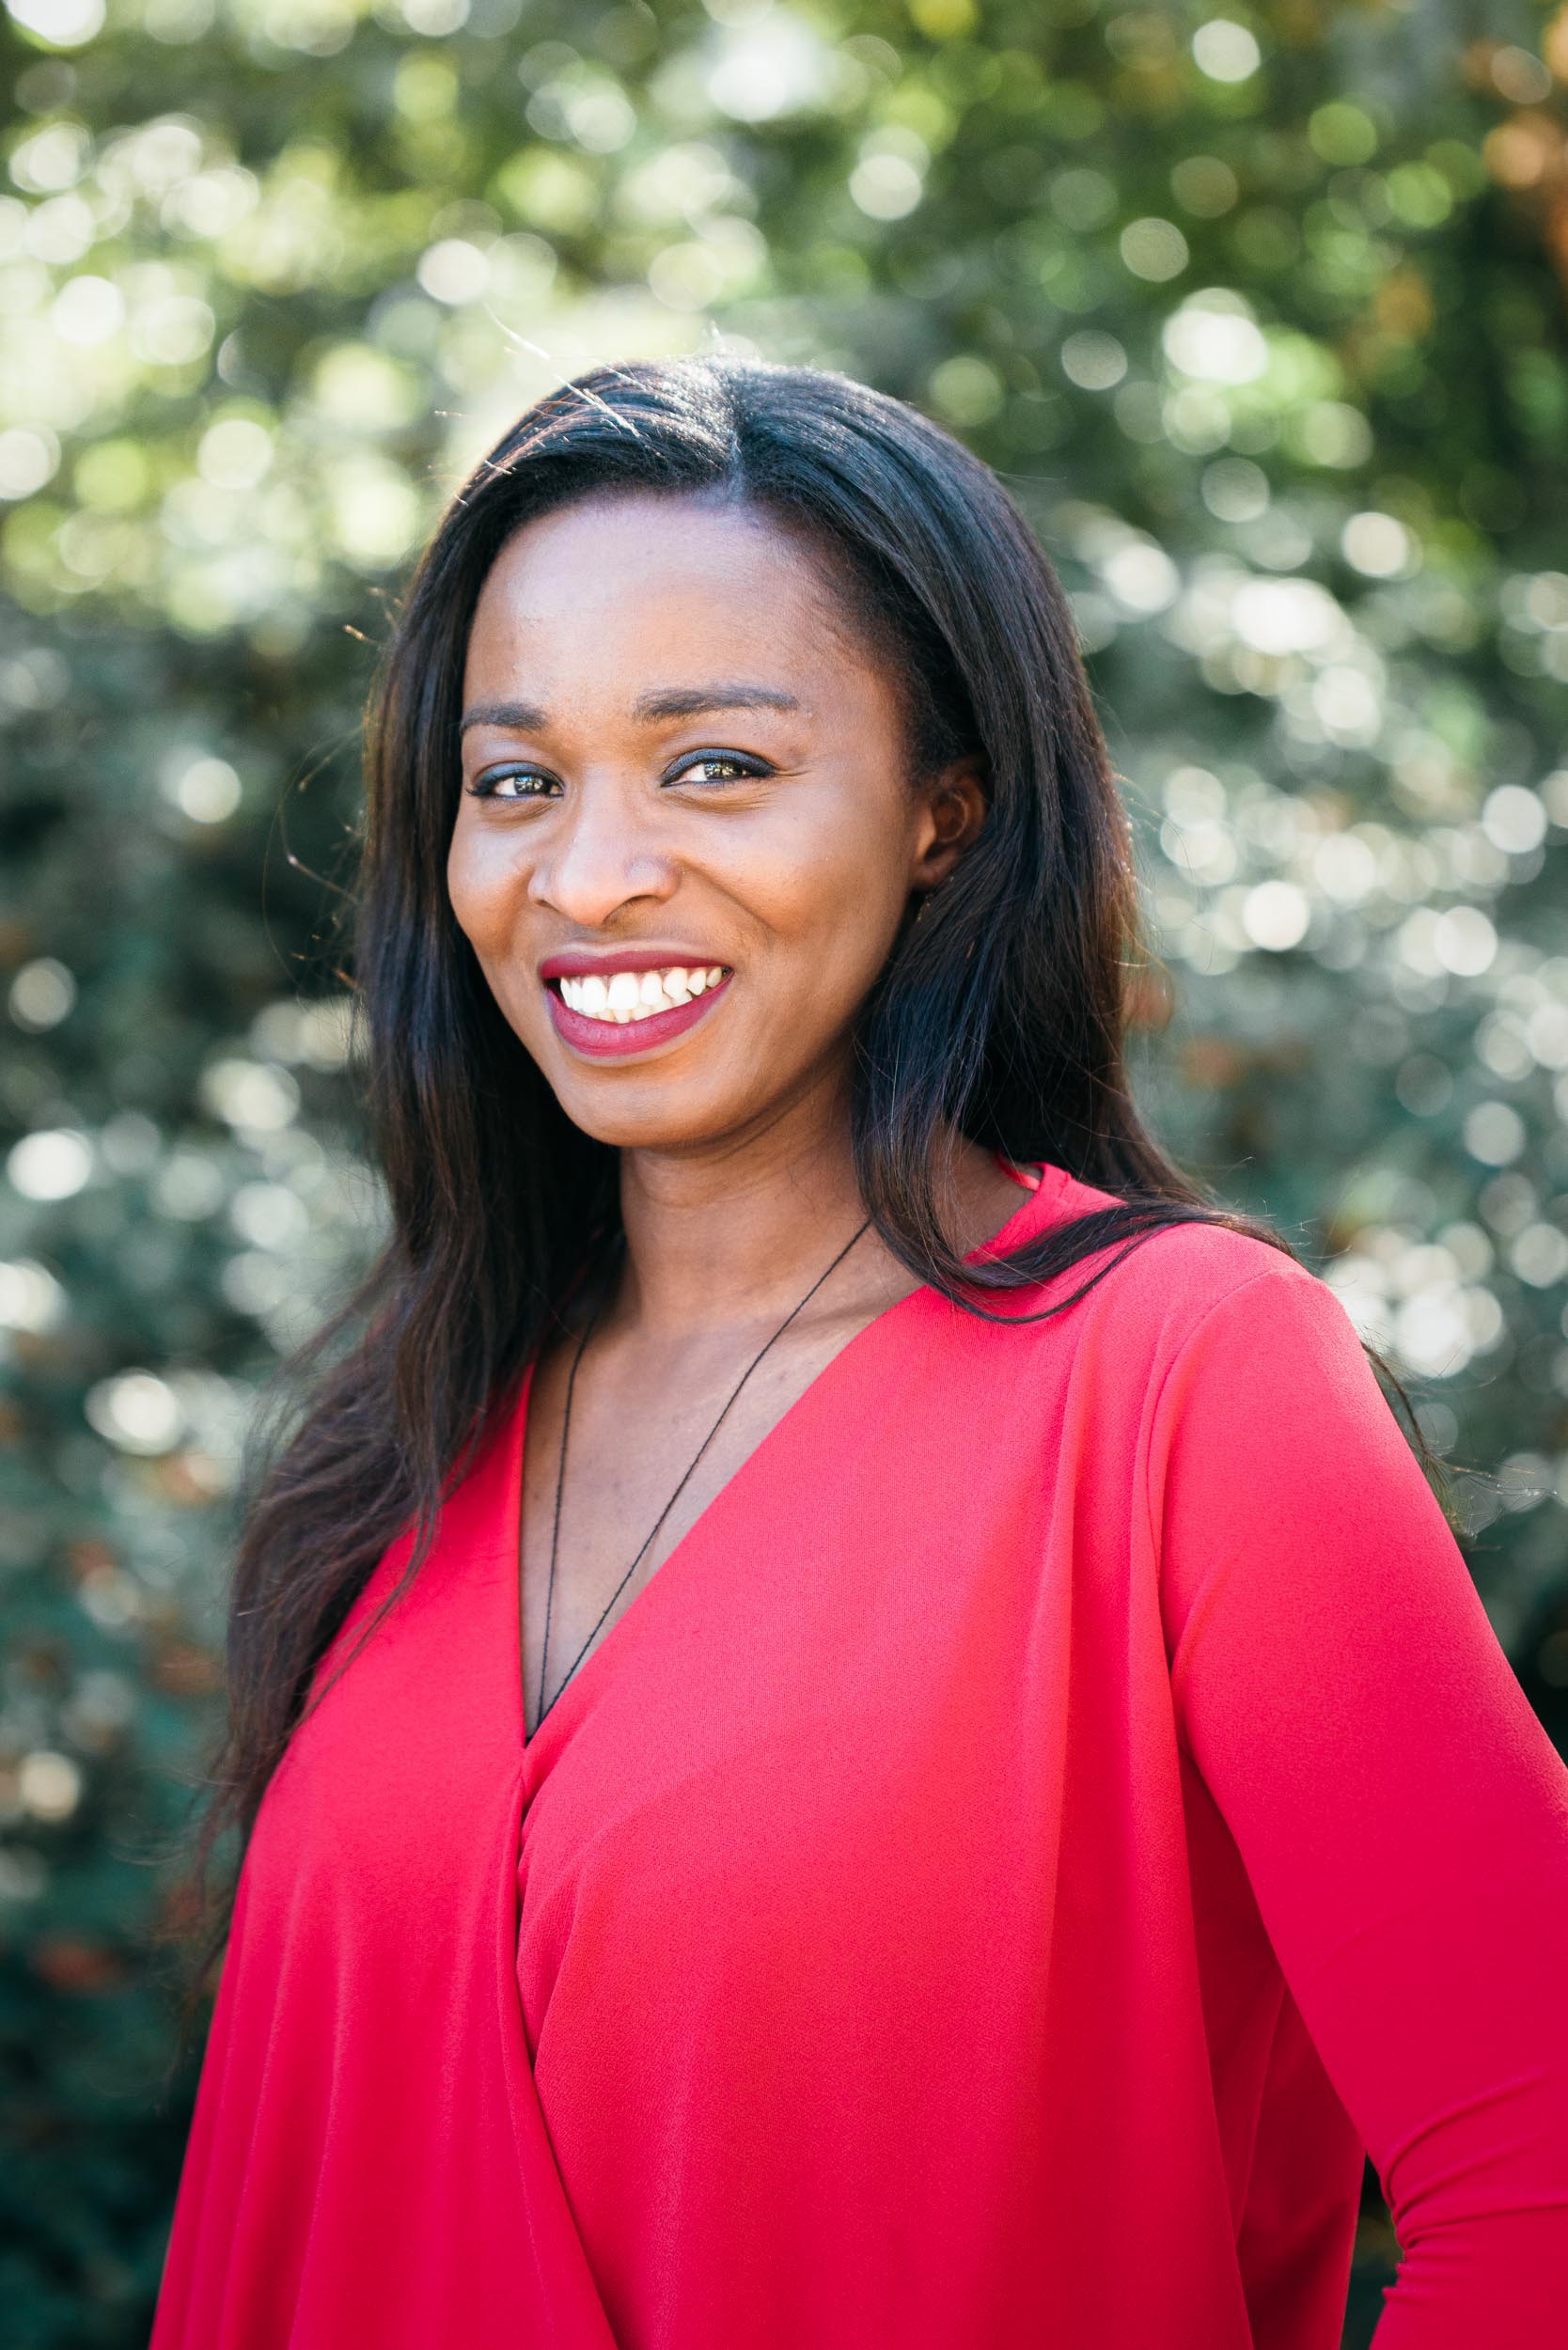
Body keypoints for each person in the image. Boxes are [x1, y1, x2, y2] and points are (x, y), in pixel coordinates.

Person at [151, 356, 1568, 2349]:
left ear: (941, 812)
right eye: (517, 777)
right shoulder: (416, 1430)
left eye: (714, 763)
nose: (588, 873)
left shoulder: (1179, 1380)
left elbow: (1543, 2185)